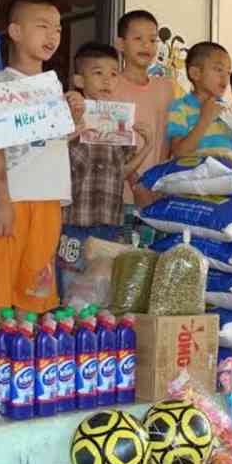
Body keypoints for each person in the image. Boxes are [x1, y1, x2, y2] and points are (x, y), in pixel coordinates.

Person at [0, 0, 84, 316]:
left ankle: (25, 357)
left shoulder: (53, 87)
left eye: (57, 29)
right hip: (12, 199)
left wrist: (75, 118)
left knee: (35, 290)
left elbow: (54, 141)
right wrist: (3, 200)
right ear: (15, 31)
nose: (52, 35)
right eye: (42, 26)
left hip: (49, 198)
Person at [57, 42, 153, 298]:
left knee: (101, 290)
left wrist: (147, 146)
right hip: (73, 222)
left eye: (113, 74)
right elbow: (50, 161)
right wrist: (71, 126)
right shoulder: (65, 114)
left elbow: (120, 173)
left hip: (110, 221)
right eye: (98, 73)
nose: (107, 80)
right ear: (79, 79)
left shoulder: (120, 122)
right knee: (69, 287)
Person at [113, 10, 174, 206]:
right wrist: (137, 185)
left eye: (152, 40)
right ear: (120, 44)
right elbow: (114, 143)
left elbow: (166, 139)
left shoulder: (166, 86)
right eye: (138, 38)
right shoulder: (111, 85)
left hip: (157, 190)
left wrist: (159, 181)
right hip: (119, 192)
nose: (146, 45)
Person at [167, 42, 232, 157]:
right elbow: (179, 152)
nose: (225, 77)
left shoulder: (228, 111)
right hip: (195, 173)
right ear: (195, 73)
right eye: (219, 69)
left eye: (228, 72)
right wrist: (205, 120)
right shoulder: (179, 108)